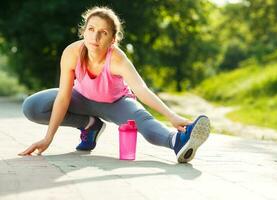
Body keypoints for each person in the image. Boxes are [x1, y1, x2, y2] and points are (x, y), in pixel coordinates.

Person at [18, 6, 210, 163]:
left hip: (116, 103)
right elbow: (63, 97)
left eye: (103, 32)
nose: (95, 37)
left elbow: (141, 89)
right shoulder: (72, 52)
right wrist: (48, 138)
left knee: (142, 120)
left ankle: (177, 142)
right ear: (83, 31)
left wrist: (172, 116)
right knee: (33, 107)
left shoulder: (117, 58)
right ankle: (90, 125)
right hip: (81, 99)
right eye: (91, 29)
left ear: (113, 39)